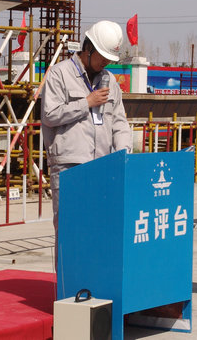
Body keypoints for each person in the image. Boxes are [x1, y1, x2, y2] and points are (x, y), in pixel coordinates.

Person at [40, 20, 132, 267]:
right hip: (69, 166)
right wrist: (86, 103)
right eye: (102, 56)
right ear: (88, 48)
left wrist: (123, 153)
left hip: (101, 165)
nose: (106, 62)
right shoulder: (59, 74)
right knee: (69, 228)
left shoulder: (109, 81)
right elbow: (49, 115)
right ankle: (67, 284)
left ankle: (92, 281)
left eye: (109, 58)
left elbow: (119, 122)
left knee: (97, 227)